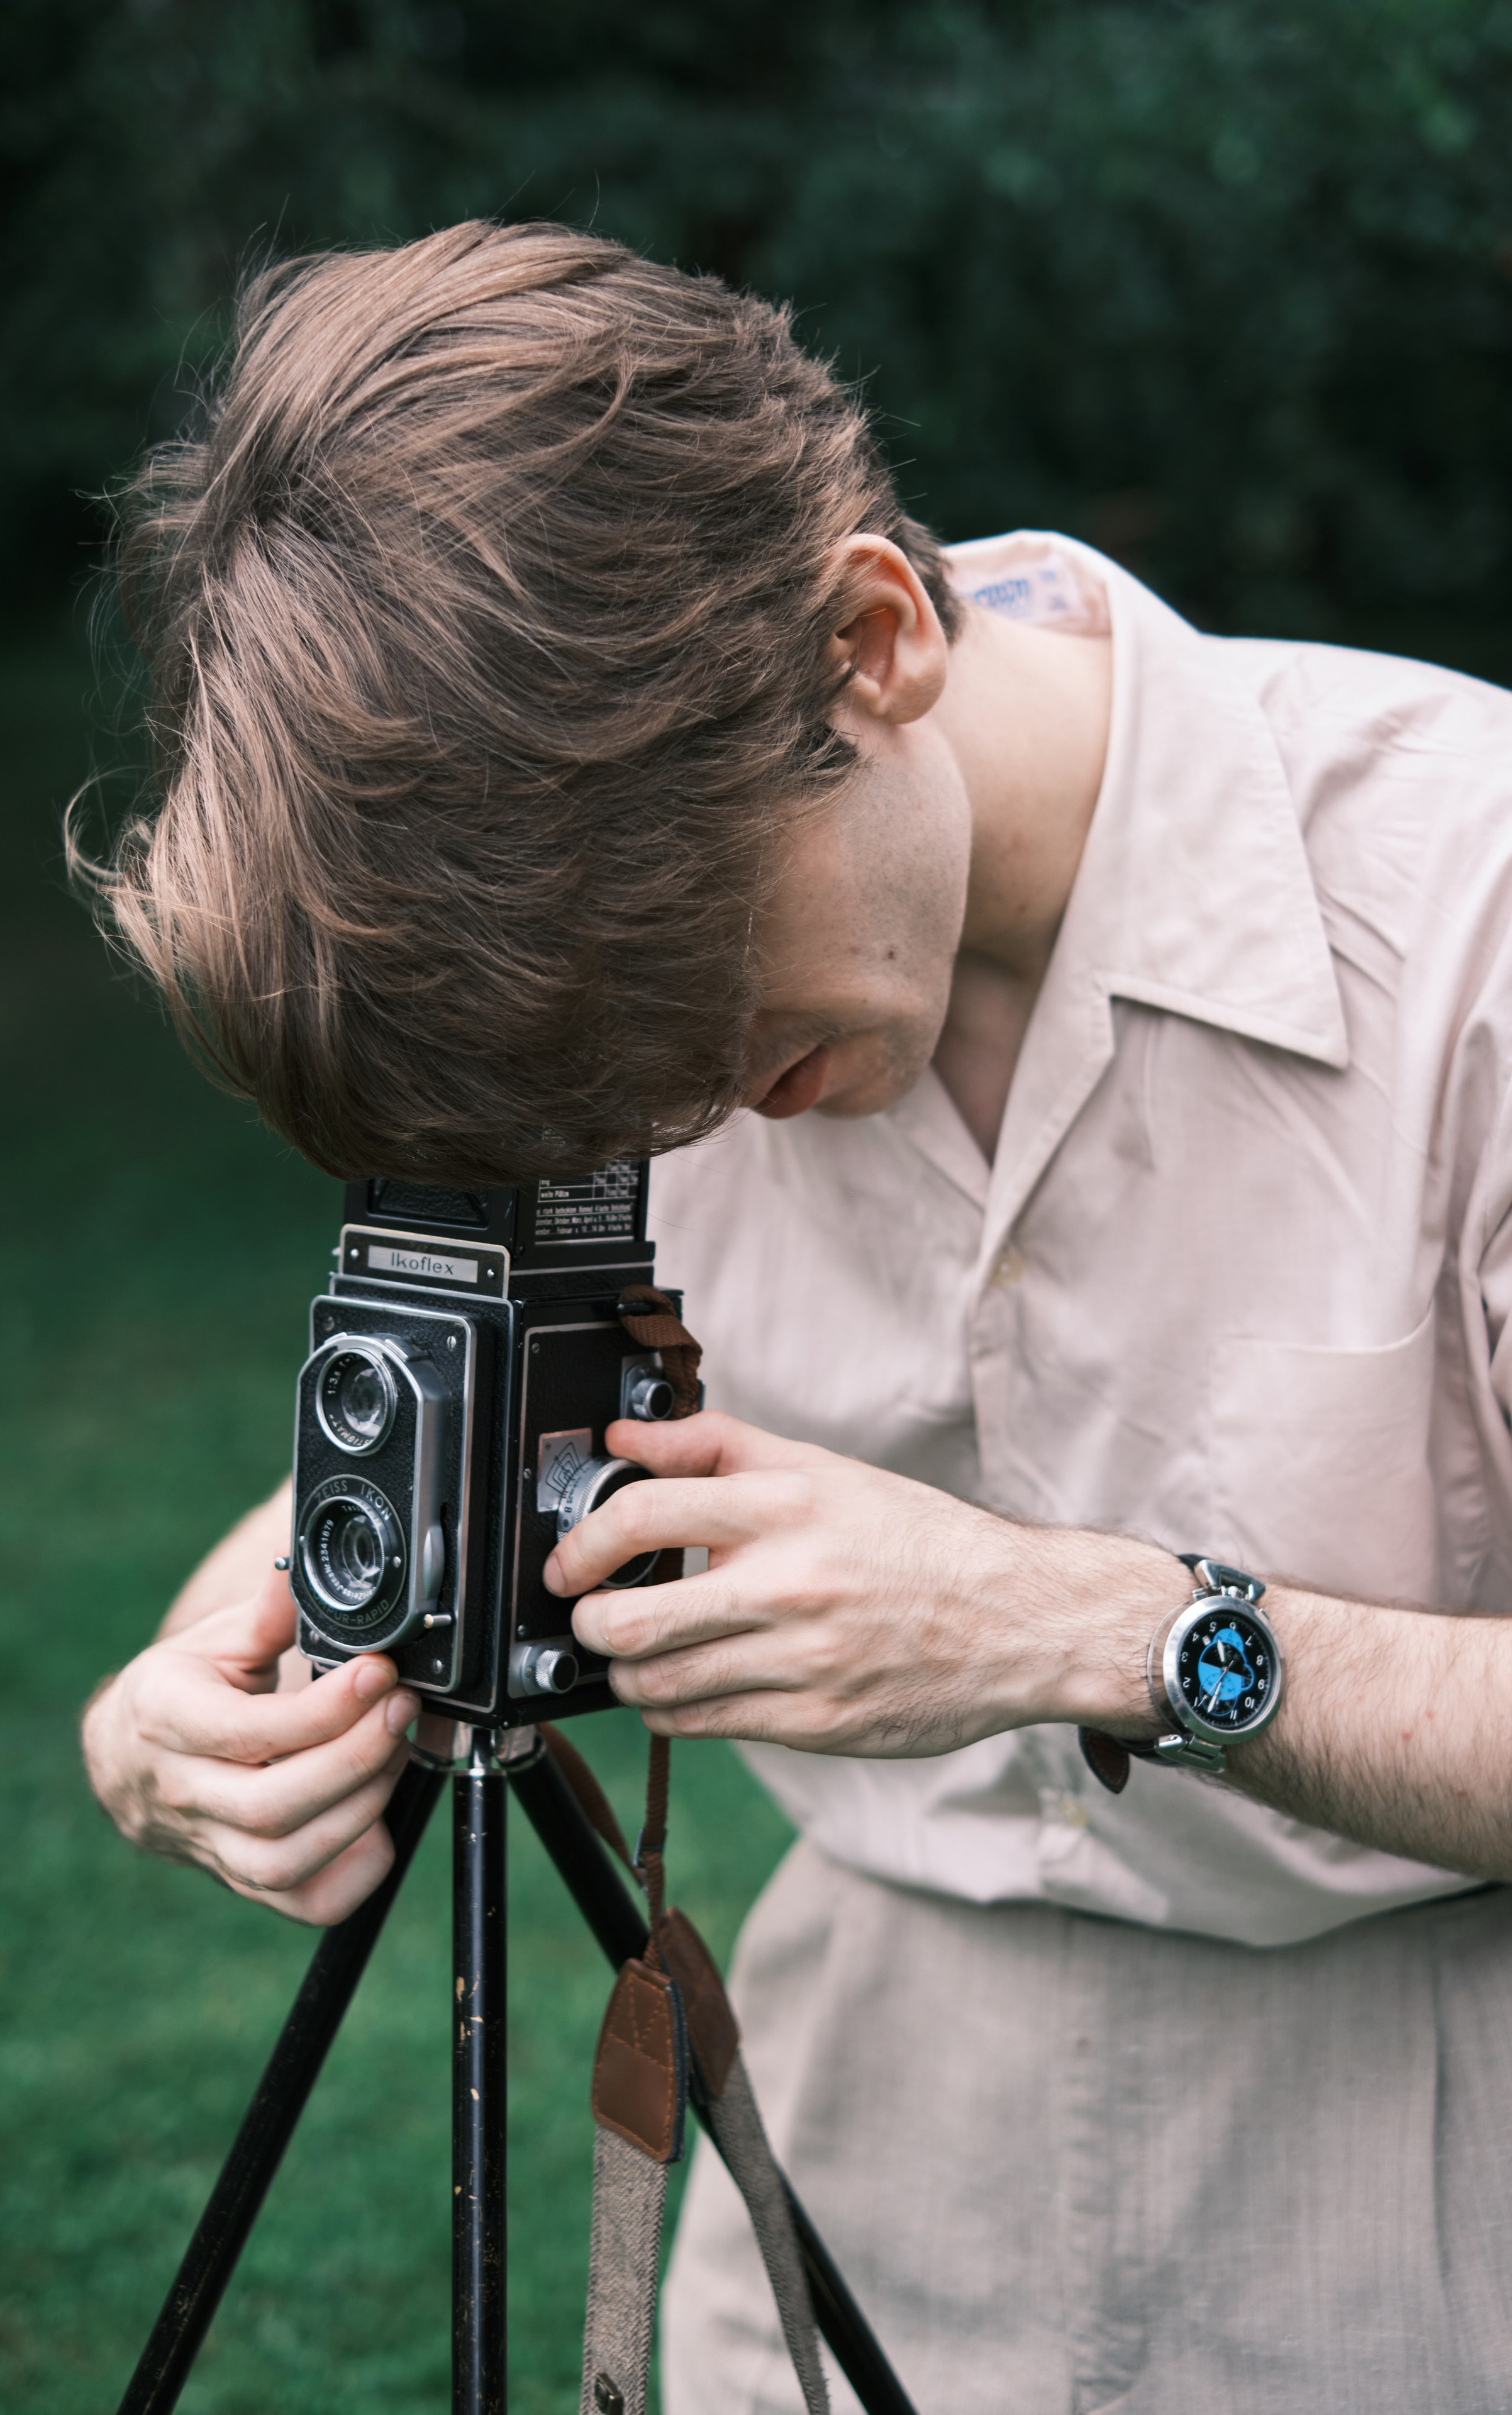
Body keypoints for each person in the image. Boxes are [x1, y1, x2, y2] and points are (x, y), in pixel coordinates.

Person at [80, 219, 1512, 2411]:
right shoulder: (588, 973)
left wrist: (1088, 1627)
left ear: (871, 640)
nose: (668, 1117)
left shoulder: (1473, 907)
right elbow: (434, 1457)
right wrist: (192, 1702)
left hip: (1430, 2204)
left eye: (702, 1013)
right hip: (830, 2182)